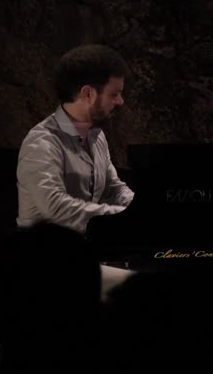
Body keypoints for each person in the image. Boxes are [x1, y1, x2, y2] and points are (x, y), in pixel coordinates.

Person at [16, 44, 134, 235]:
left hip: (79, 251)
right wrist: (127, 216)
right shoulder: (41, 143)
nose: (121, 101)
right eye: (114, 94)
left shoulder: (97, 136)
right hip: (40, 257)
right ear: (88, 94)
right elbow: (55, 208)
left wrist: (145, 209)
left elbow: (113, 189)